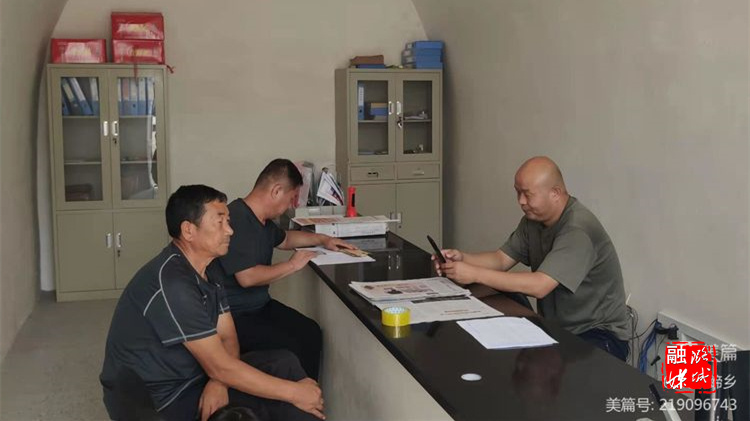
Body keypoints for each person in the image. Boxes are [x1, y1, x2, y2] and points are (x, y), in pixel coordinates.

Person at [100, 185, 325, 421]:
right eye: (219, 222)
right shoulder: (174, 284)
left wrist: (219, 382)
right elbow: (220, 366)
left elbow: (228, 338)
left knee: (283, 362)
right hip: (159, 399)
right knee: (280, 402)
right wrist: (295, 392)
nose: (230, 230)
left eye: (228, 221)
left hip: (193, 375)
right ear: (188, 230)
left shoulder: (208, 269)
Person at [435, 156, 630, 361]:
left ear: (555, 193)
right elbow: (501, 259)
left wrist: (474, 273)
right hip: (557, 327)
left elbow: (540, 285)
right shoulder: (532, 222)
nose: (521, 201)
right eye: (518, 192)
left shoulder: (578, 230)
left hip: (597, 335)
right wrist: (463, 258)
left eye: (527, 194)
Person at [215, 159, 355, 380]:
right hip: (235, 316)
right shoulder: (237, 219)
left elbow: (286, 239)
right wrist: (292, 265)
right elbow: (247, 277)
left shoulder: (261, 221)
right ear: (276, 191)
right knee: (293, 345)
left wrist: (322, 239)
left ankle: (308, 393)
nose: (290, 206)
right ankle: (297, 395)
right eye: (291, 198)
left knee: (310, 332)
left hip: (260, 307)